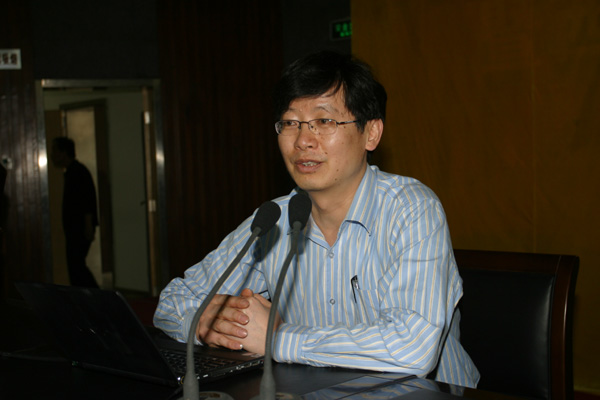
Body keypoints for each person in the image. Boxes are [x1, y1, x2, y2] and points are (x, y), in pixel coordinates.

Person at [154, 51, 480, 387]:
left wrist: (278, 339)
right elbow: (172, 301)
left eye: (324, 122)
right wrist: (203, 322)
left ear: (371, 133)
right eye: (290, 123)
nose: (302, 141)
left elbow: (413, 349)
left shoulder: (411, 209)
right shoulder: (274, 219)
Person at [50, 137, 100, 288]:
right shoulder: (73, 172)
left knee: (77, 267)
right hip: (75, 228)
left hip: (79, 229)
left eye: (55, 151)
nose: (52, 155)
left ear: (64, 152)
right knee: (76, 267)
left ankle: (95, 296)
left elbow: (87, 201)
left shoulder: (78, 172)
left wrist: (88, 225)